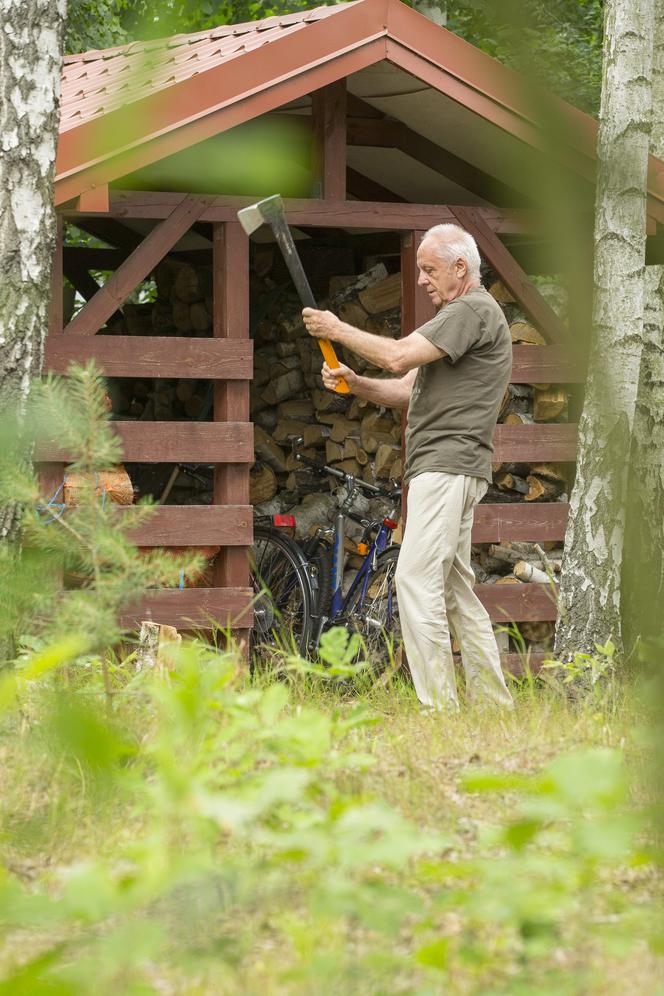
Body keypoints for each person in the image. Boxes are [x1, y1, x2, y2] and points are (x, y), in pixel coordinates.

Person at [302, 223, 513, 712]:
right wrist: (355, 383)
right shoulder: (461, 320)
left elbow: (397, 357)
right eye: (420, 270)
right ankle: (494, 706)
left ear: (461, 267)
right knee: (456, 591)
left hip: (446, 466)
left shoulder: (471, 309)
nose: (421, 280)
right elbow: (405, 390)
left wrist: (336, 328)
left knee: (413, 580)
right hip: (451, 468)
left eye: (429, 269)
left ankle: (440, 708)